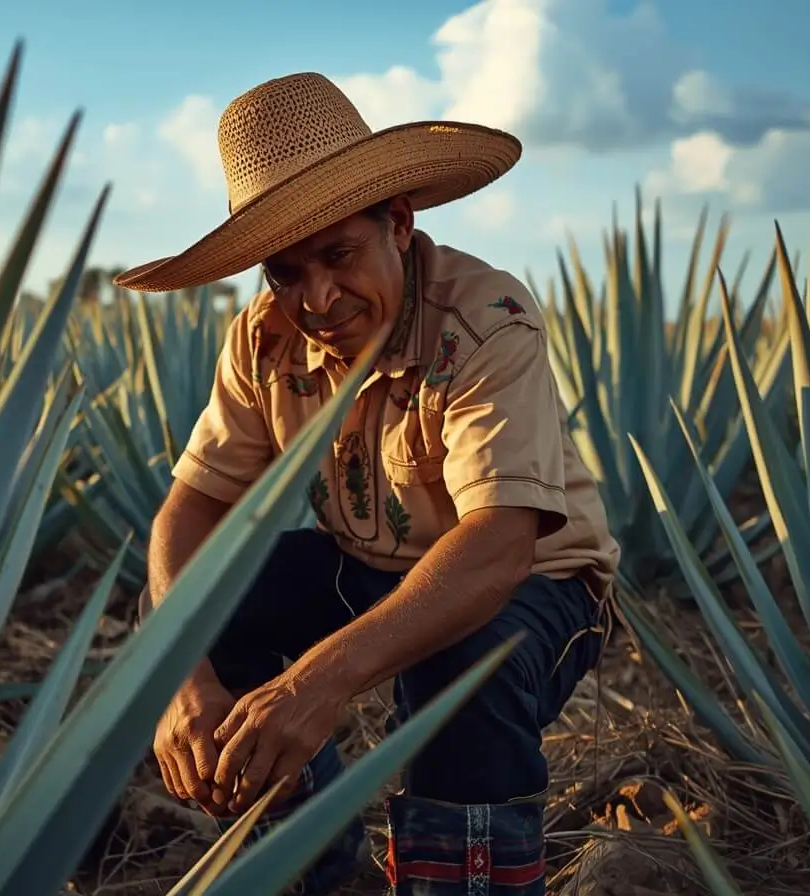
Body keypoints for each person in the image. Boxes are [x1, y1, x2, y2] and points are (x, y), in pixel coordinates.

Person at [114, 72, 621, 896]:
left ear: (398, 222)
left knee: (464, 666)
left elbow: (497, 546)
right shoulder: (262, 340)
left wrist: (315, 683)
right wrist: (183, 678)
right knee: (198, 604)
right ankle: (299, 847)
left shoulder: (484, 319)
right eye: (286, 271)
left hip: (539, 580)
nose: (317, 296)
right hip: (370, 564)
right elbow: (195, 507)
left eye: (339, 254)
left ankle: (465, 883)